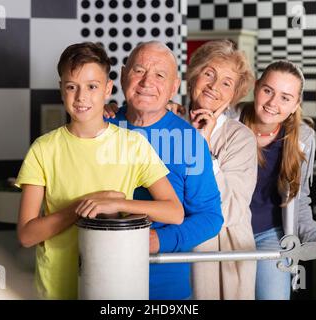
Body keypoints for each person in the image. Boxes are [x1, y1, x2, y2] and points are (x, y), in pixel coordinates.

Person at [14, 42, 184, 300]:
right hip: (56, 290)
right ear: (62, 90)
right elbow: (27, 235)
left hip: (114, 290)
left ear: (107, 89)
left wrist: (118, 203)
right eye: (72, 87)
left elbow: (174, 212)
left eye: (92, 87)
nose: (82, 97)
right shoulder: (43, 149)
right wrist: (80, 208)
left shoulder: (133, 145)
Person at [105, 41, 223, 299]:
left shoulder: (189, 141)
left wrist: (158, 240)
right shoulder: (99, 129)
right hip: (98, 280)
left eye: (160, 75)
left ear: (174, 87)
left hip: (164, 287)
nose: (147, 82)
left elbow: (210, 217)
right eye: (138, 71)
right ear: (124, 74)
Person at [237, 60, 316, 300]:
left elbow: (299, 199)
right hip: (226, 231)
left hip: (270, 233)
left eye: (285, 97)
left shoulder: (302, 137)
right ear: (256, 87)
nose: (272, 103)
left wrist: (313, 237)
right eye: (268, 91)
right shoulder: (229, 120)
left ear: (295, 105)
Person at [185, 40, 258, 300]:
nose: (214, 87)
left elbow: (230, 209)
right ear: (193, 76)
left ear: (233, 95)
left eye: (226, 82)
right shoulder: (168, 124)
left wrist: (201, 148)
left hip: (223, 256)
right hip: (173, 250)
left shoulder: (241, 139)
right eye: (209, 74)